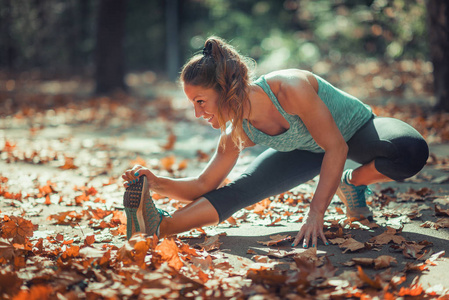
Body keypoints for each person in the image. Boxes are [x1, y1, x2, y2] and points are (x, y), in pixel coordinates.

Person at [121, 36, 429, 248]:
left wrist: (315, 213)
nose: (197, 113)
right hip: (306, 152)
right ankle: (161, 227)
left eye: (201, 101)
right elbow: (204, 184)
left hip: (355, 129)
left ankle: (352, 182)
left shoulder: (289, 89)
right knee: (242, 190)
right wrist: (157, 182)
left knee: (410, 150)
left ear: (226, 88)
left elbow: (337, 147)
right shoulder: (236, 132)